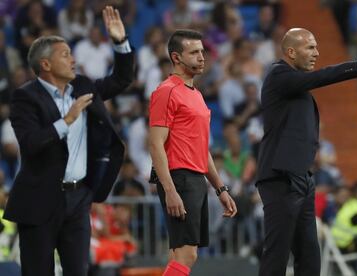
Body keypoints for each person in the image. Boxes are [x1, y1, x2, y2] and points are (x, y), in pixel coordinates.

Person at [256, 27, 357, 276]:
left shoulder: (294, 84)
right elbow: (323, 76)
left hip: (301, 178)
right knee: (277, 255)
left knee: (310, 254)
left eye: (316, 47)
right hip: (280, 178)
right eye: (310, 47)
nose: (316, 53)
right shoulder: (279, 75)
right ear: (291, 52)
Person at [2, 6, 134, 276]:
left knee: (78, 272)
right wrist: (68, 119)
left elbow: (121, 80)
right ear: (46, 65)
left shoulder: (83, 86)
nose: (73, 59)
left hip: (78, 198)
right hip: (39, 200)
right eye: (65, 55)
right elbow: (31, 143)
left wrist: (120, 42)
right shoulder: (25, 98)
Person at [149, 29, 237, 276]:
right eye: (194, 52)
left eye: (202, 52)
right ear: (176, 57)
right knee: (188, 253)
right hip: (180, 178)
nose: (202, 57)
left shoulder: (196, 94)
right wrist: (170, 190)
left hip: (195, 178)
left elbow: (202, 147)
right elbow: (156, 144)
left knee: (178, 254)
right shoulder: (166, 91)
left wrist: (220, 188)